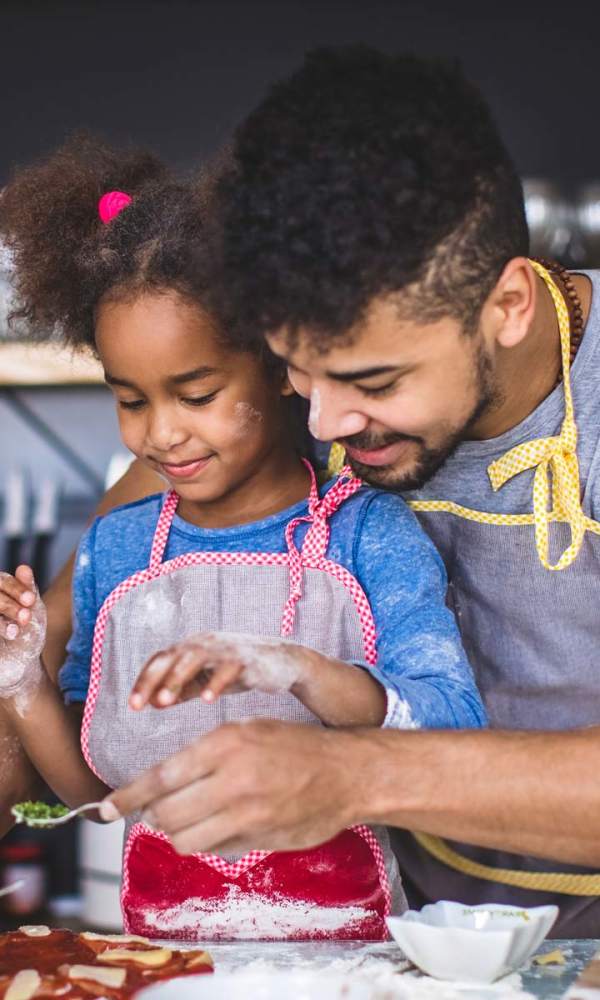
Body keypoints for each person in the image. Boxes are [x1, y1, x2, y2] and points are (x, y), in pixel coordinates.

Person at [97, 47, 600, 939]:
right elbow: (94, 579)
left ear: (510, 304)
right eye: (295, 371)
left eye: (372, 378)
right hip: (392, 942)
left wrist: (356, 776)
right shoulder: (326, 402)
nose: (324, 423)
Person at [0, 134, 485, 940]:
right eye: (130, 399)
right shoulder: (115, 554)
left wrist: (295, 669)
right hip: (163, 954)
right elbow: (95, 791)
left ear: (276, 365)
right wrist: (24, 686)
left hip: (345, 963)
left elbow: (451, 728)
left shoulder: (369, 535)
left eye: (195, 394)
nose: (161, 435)